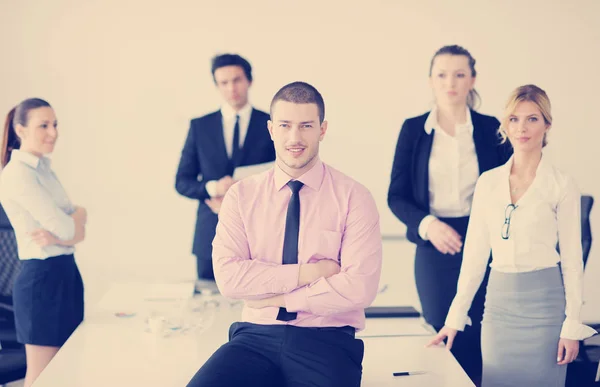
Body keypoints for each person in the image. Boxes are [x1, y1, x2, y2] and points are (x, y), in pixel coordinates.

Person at [187, 81, 382, 387]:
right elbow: (229, 278)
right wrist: (312, 273)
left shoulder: (354, 197)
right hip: (254, 336)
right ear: (271, 130)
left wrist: (279, 297)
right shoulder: (241, 195)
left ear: (322, 129)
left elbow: (359, 288)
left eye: (306, 125)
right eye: (285, 125)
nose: (295, 137)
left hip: (327, 340)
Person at [429, 84, 597, 386]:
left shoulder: (561, 184)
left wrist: (572, 324)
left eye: (532, 119)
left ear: (547, 125)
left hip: (545, 308)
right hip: (499, 308)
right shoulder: (488, 183)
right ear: (506, 125)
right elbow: (475, 257)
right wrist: (455, 317)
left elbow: (572, 261)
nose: (522, 128)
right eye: (514, 119)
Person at [387, 44, 511, 384]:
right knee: (445, 330)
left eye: (459, 74)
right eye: (442, 74)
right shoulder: (413, 129)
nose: (450, 82)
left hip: (485, 242)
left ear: (472, 79)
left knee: (480, 331)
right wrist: (429, 226)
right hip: (434, 243)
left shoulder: (492, 129)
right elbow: (396, 196)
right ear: (430, 80)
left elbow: (510, 188)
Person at [0, 98, 87, 387]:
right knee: (42, 378)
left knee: (66, 372)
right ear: (21, 130)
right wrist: (75, 221)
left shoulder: (43, 169)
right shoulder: (17, 175)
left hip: (66, 274)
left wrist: (75, 221)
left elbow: (74, 229)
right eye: (44, 126)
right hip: (41, 283)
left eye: (55, 124)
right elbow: (66, 226)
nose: (53, 132)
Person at [175, 53, 276, 281]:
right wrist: (214, 189)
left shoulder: (271, 123)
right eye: (224, 82)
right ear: (217, 86)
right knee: (207, 306)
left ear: (249, 80)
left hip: (260, 236)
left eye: (237, 80)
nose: (232, 88)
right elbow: (182, 181)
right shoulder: (200, 126)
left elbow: (284, 178)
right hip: (210, 234)